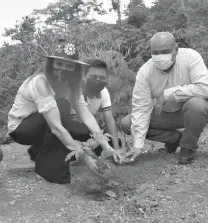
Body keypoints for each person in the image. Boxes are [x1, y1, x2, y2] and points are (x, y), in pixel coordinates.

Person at [8, 39, 119, 184]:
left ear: (75, 68)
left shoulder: (74, 85)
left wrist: (106, 145)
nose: (63, 69)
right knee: (62, 106)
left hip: (48, 123)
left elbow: (86, 116)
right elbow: (56, 128)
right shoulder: (40, 82)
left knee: (83, 131)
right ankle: (47, 170)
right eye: (59, 64)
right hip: (22, 128)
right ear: (51, 64)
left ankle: (37, 151)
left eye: (69, 66)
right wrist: (83, 155)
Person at [120, 31, 208, 165]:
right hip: (165, 114)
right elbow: (141, 108)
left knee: (197, 105)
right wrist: (137, 145)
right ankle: (174, 139)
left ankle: (188, 146)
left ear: (176, 49)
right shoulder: (145, 72)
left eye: (165, 51)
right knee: (127, 123)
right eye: (155, 52)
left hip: (190, 111)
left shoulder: (190, 57)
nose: (160, 56)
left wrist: (169, 94)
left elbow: (204, 88)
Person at [80, 59, 121, 155]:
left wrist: (116, 149)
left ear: (107, 79)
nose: (97, 81)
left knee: (115, 140)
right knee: (83, 131)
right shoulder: (77, 92)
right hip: (73, 131)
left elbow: (109, 120)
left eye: (102, 78)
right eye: (93, 76)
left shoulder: (104, 92)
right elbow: (87, 120)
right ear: (84, 76)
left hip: (91, 130)